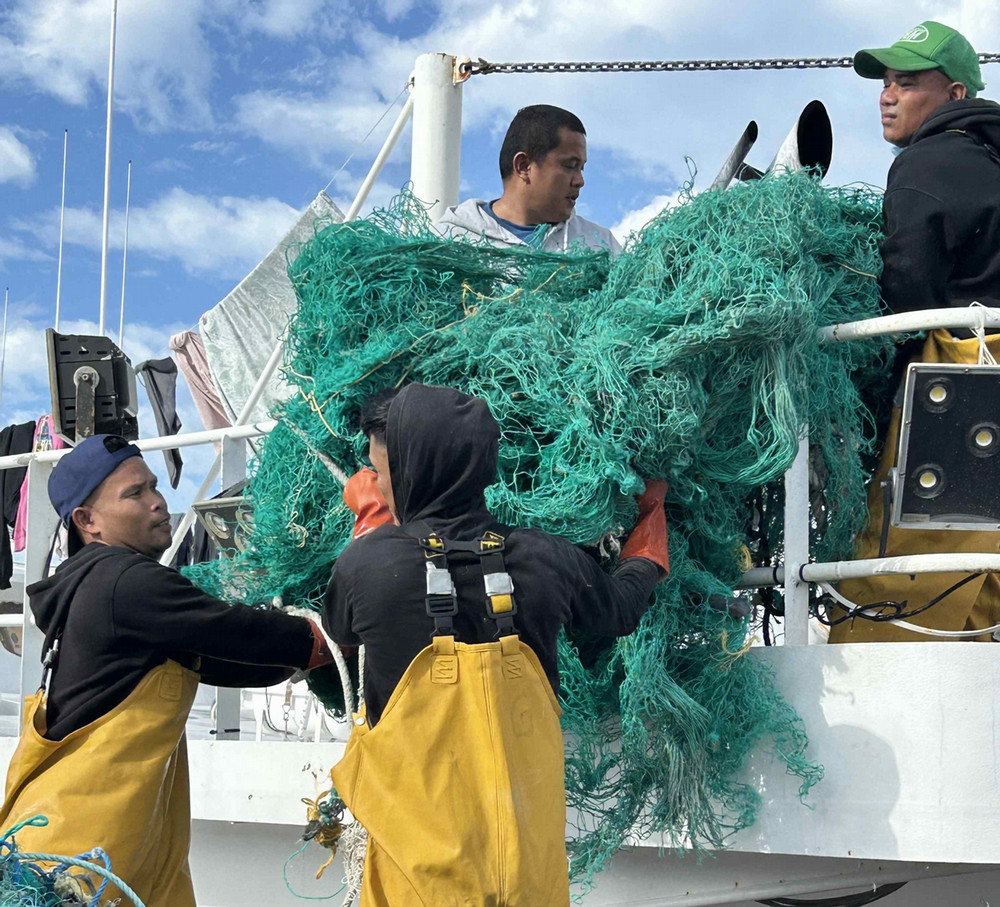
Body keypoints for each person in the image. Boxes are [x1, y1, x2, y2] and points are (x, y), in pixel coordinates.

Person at [323, 384, 668, 905]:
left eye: (381, 471)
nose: (378, 482)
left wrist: (376, 530)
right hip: (530, 877)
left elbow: (341, 631)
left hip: (415, 883)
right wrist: (649, 539)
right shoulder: (546, 558)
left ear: (414, 469)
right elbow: (619, 609)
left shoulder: (365, 566)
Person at [0, 434, 334, 905]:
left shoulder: (99, 593)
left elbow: (225, 659)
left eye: (154, 487)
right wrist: (323, 640)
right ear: (86, 520)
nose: (158, 503)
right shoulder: (124, 582)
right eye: (134, 494)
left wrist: (293, 662)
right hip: (84, 864)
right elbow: (236, 631)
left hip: (113, 849)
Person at [829, 22, 1000, 643]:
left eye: (907, 81)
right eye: (884, 81)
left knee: (897, 576)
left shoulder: (926, 162)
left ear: (955, 94)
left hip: (951, 394)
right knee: (982, 578)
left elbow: (906, 294)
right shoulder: (990, 160)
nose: (887, 94)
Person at [435, 104, 622, 254]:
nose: (580, 181)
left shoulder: (601, 246)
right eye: (570, 166)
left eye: (581, 168)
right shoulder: (446, 242)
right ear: (523, 166)